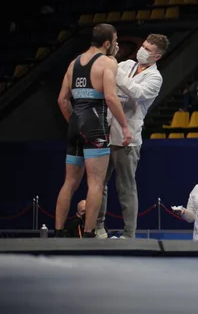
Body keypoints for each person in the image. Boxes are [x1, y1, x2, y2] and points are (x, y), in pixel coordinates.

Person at [54, 23, 132, 238]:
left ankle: (58, 232)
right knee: (96, 183)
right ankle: (88, 234)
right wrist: (125, 126)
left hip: (75, 123)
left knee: (69, 183)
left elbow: (62, 100)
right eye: (115, 41)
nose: (116, 45)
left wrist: (75, 123)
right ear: (107, 43)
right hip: (95, 125)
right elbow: (110, 97)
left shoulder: (73, 63)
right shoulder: (108, 62)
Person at [96, 34, 169, 239]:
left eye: (148, 49)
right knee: (98, 183)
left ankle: (129, 234)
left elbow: (136, 92)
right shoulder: (126, 64)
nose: (142, 50)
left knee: (125, 187)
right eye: (143, 46)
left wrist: (115, 75)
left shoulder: (155, 78)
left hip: (128, 137)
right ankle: (98, 228)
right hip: (106, 130)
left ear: (157, 57)